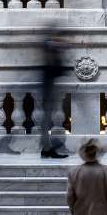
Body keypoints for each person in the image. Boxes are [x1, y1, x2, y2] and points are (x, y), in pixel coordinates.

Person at [38, 29, 70, 158]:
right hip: (48, 88)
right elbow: (48, 43)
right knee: (46, 121)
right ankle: (46, 149)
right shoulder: (49, 48)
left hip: (49, 87)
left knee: (47, 121)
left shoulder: (51, 50)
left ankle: (47, 148)